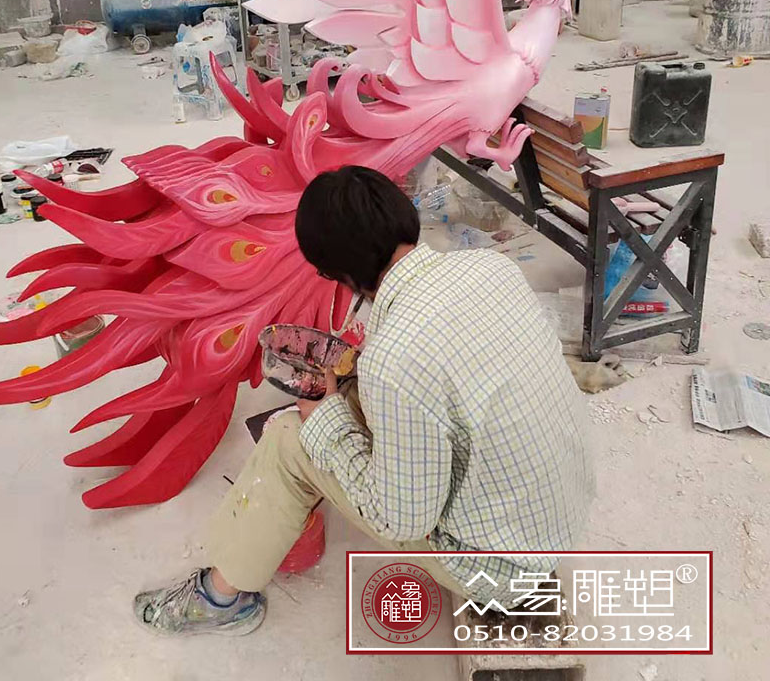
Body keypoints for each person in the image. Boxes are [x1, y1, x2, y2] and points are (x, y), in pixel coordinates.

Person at [134, 165, 593, 634]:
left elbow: (400, 521)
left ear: (336, 273)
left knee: (290, 438)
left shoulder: (394, 362)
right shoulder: (491, 268)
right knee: (354, 401)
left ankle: (220, 598)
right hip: (562, 515)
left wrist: (324, 420)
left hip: (499, 570)